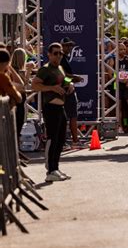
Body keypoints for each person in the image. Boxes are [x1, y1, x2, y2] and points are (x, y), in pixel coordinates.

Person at [31, 42, 74, 182]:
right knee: (53, 138)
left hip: (61, 107)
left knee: (61, 138)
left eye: (60, 53)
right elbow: (34, 85)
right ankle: (50, 169)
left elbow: (64, 79)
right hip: (50, 107)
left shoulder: (60, 68)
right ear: (49, 54)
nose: (58, 56)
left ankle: (55, 167)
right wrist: (52, 88)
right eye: (55, 53)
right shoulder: (45, 69)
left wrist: (70, 84)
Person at [60, 37, 83, 149]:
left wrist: (71, 81)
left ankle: (68, 141)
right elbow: (64, 76)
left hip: (64, 91)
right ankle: (74, 141)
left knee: (68, 117)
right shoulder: (61, 59)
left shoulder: (65, 59)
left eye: (70, 45)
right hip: (64, 92)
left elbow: (65, 76)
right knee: (71, 117)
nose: (69, 47)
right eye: (67, 45)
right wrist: (73, 80)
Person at [10, 47, 35, 141]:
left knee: (17, 126)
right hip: (17, 102)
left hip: (20, 101)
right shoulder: (15, 71)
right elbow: (23, 85)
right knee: (17, 125)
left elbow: (24, 86)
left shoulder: (17, 70)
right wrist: (29, 70)